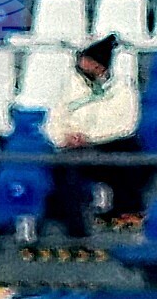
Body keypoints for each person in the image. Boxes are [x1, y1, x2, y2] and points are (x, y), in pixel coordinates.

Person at [41, 34, 140, 237]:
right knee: (66, 171)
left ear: (99, 66)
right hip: (75, 149)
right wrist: (64, 138)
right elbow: (54, 121)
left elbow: (126, 125)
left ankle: (125, 213)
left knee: (129, 156)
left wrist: (90, 137)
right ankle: (77, 230)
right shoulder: (70, 87)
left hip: (110, 145)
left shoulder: (122, 90)